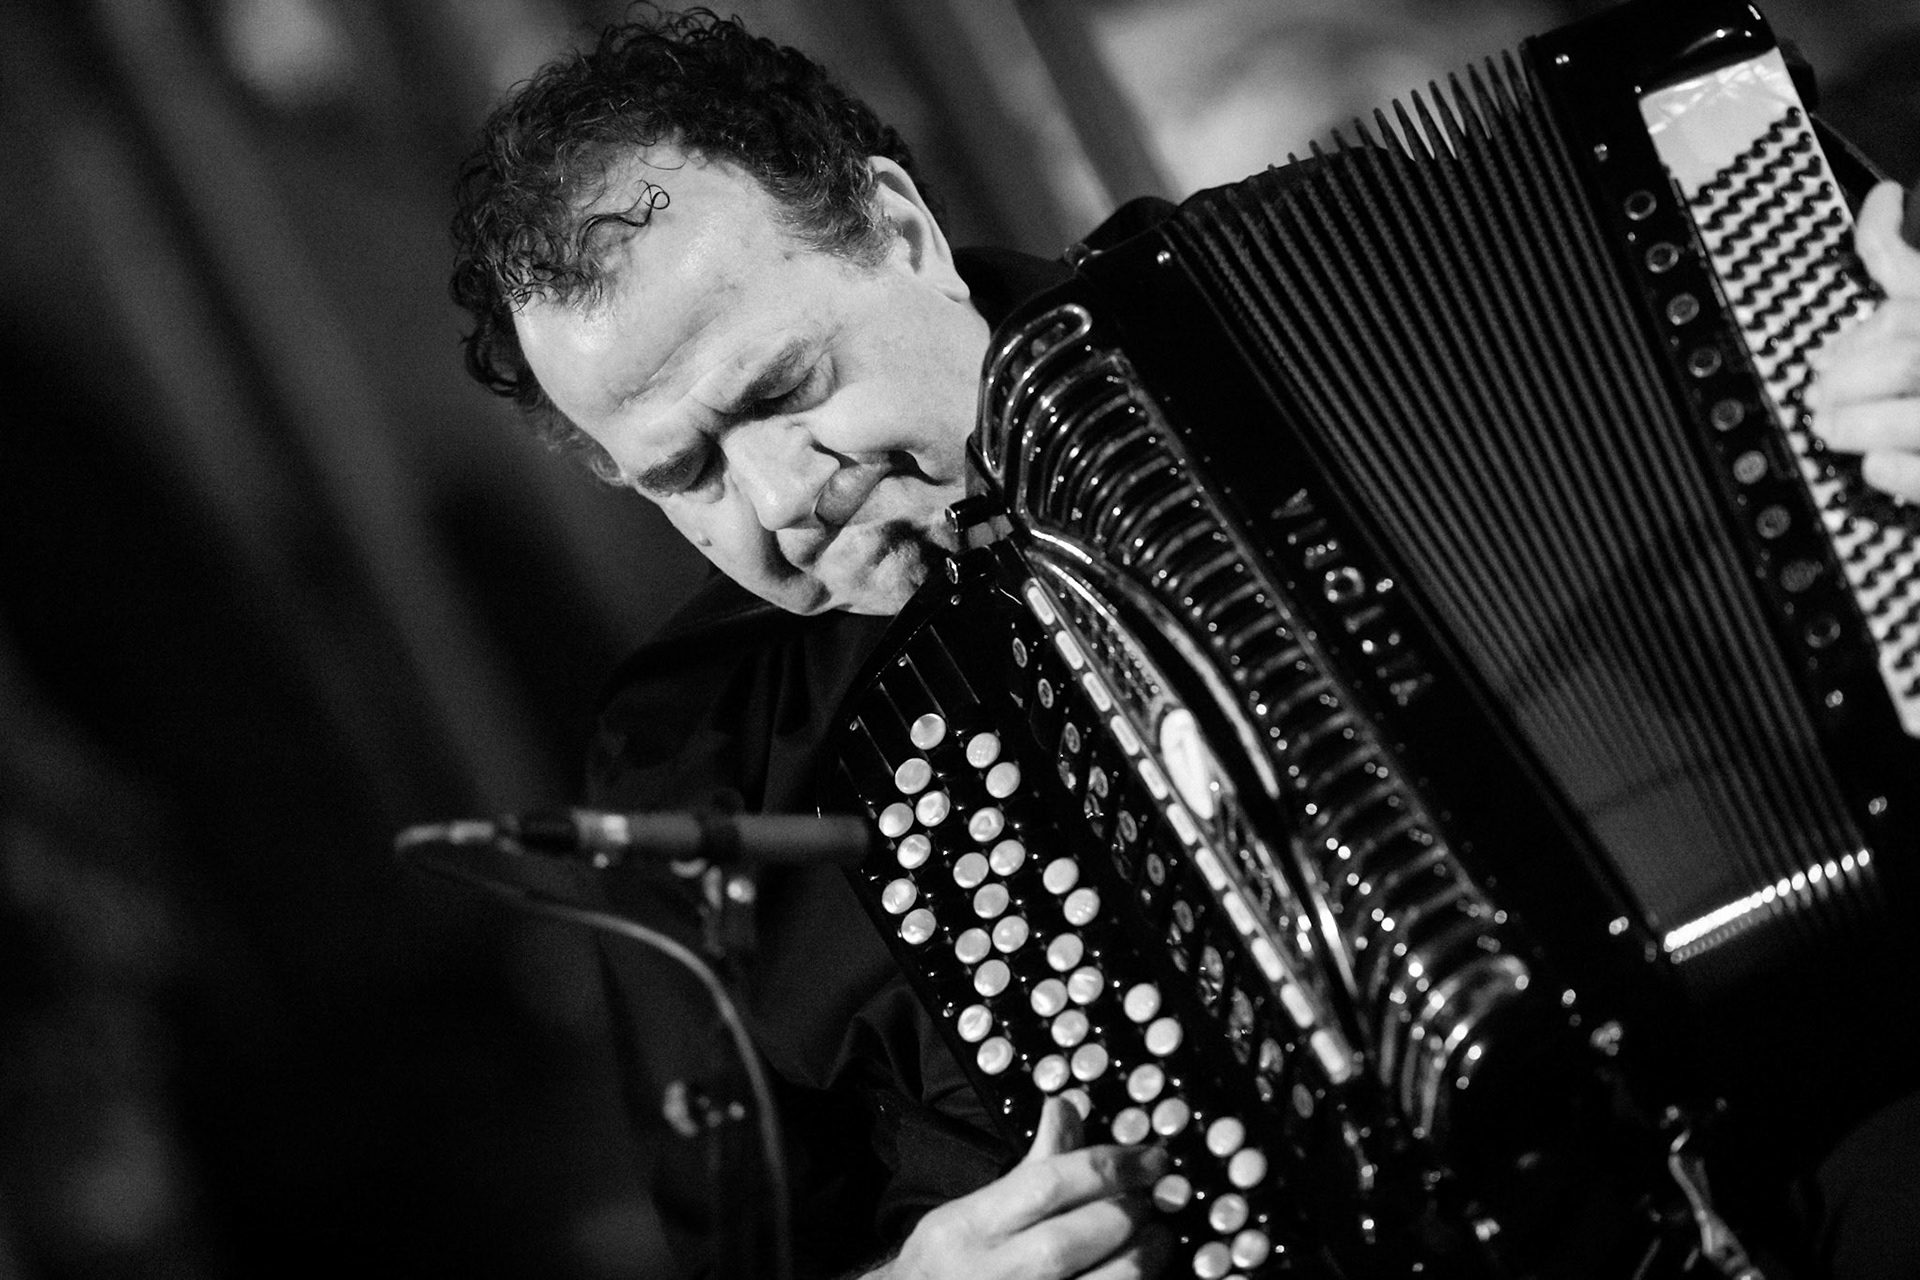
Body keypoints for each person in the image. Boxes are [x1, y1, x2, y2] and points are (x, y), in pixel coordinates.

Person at [448, 10, 1920, 1279]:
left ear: (897, 230)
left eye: (785, 389)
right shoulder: (698, 755)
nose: (782, 497)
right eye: (684, 477)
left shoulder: (1321, 298)